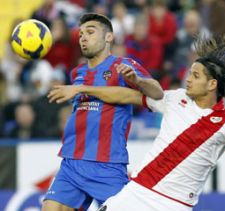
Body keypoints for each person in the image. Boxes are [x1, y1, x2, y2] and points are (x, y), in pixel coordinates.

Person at [48, 35, 225, 211]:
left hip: (174, 204)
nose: (188, 78)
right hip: (137, 192)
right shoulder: (175, 98)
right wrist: (83, 89)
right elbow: (130, 96)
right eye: (189, 73)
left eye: (196, 76)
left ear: (212, 84)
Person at [42, 13, 163, 211]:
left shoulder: (123, 66)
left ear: (109, 37)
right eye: (81, 34)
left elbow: (157, 93)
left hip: (107, 165)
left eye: (90, 32)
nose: (83, 37)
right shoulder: (77, 73)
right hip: (71, 162)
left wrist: (138, 81)